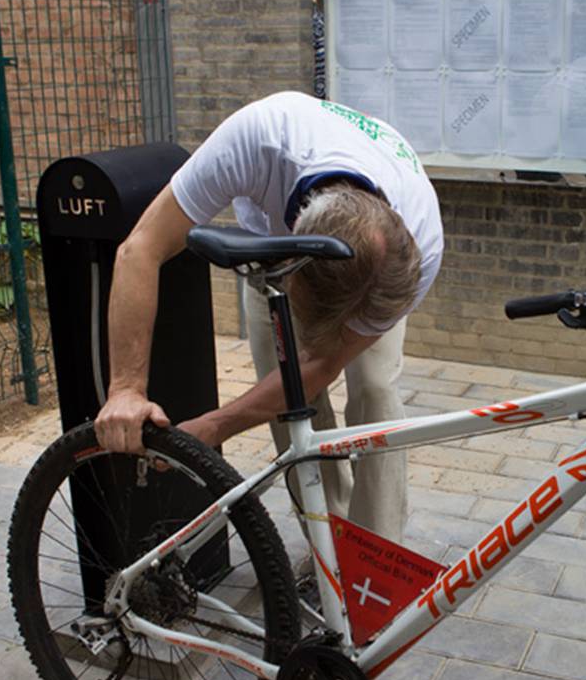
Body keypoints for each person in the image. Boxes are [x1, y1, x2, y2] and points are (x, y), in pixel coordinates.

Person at [94, 91, 443, 543]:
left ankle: (375, 553)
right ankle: (327, 547)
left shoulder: (420, 244)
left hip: (372, 266)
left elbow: (322, 364)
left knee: (374, 389)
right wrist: (125, 389)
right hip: (275, 255)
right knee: (289, 401)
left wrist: (216, 425)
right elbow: (139, 249)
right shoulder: (256, 139)